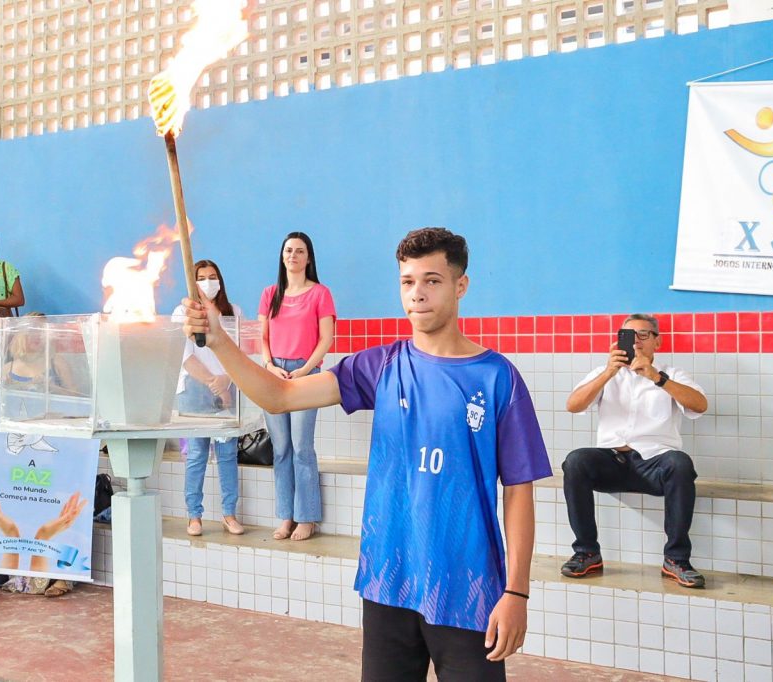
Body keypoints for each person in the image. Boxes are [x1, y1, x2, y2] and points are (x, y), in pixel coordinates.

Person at [182, 228, 551, 679]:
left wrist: (516, 592)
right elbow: (279, 396)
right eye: (407, 281)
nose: (417, 294)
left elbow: (518, 493)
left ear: (461, 286)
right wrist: (220, 340)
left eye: (432, 280)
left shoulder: (498, 379)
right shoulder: (381, 365)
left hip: (466, 587)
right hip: (387, 583)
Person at [561, 314, 709, 588]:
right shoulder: (606, 372)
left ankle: (676, 559)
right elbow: (573, 405)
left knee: (680, 463)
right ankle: (587, 552)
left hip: (655, 465)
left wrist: (656, 377)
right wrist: (608, 373)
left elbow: (700, 405)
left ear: (657, 341)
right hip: (612, 462)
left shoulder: (673, 373)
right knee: (576, 461)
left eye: (643, 335)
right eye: (628, 336)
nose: (636, 342)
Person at [258, 232, 335, 541]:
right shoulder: (269, 294)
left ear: (308, 258)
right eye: (288, 250)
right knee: (281, 448)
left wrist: (305, 369)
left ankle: (307, 517)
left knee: (302, 447)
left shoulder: (320, 294)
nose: (293, 255)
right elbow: (262, 337)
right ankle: (286, 516)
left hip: (306, 373)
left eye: (299, 251)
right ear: (282, 256)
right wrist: (269, 366)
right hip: (274, 374)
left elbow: (325, 339)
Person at [172, 260, 245, 537]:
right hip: (195, 390)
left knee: (227, 455)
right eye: (201, 278)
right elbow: (185, 357)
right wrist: (214, 384)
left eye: (212, 277)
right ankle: (194, 516)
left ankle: (229, 513)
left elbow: (239, 351)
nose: (207, 282)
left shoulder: (233, 312)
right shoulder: (183, 312)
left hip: (229, 386)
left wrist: (226, 380)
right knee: (197, 455)